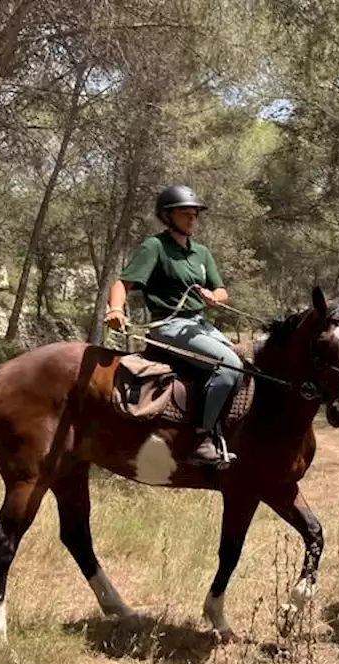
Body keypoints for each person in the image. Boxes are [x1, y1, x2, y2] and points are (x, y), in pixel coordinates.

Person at [104, 185, 243, 470]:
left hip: (200, 324)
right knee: (229, 366)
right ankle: (200, 442)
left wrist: (213, 297)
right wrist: (116, 309)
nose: (192, 218)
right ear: (168, 216)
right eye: (185, 213)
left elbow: (222, 290)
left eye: (195, 214)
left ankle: (226, 433)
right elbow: (123, 283)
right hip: (168, 325)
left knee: (247, 362)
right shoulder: (155, 246)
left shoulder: (201, 252)